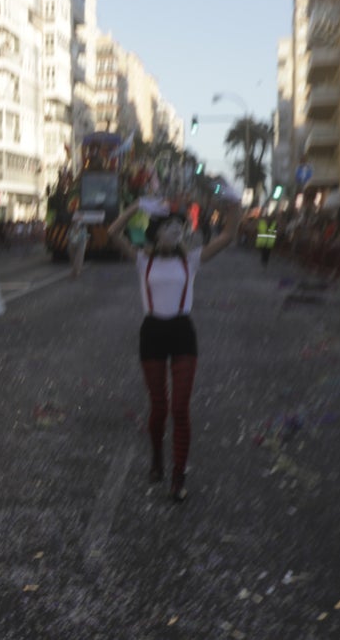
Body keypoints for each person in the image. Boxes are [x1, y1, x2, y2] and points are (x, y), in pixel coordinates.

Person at [107, 198, 241, 503]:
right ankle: (157, 458)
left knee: (180, 408)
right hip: (152, 333)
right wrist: (136, 207)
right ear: (155, 233)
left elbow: (228, 236)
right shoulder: (142, 260)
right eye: (168, 226)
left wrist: (234, 206)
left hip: (182, 333)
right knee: (159, 406)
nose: (175, 230)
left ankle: (178, 475)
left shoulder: (190, 260)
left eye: (179, 226)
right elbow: (113, 233)